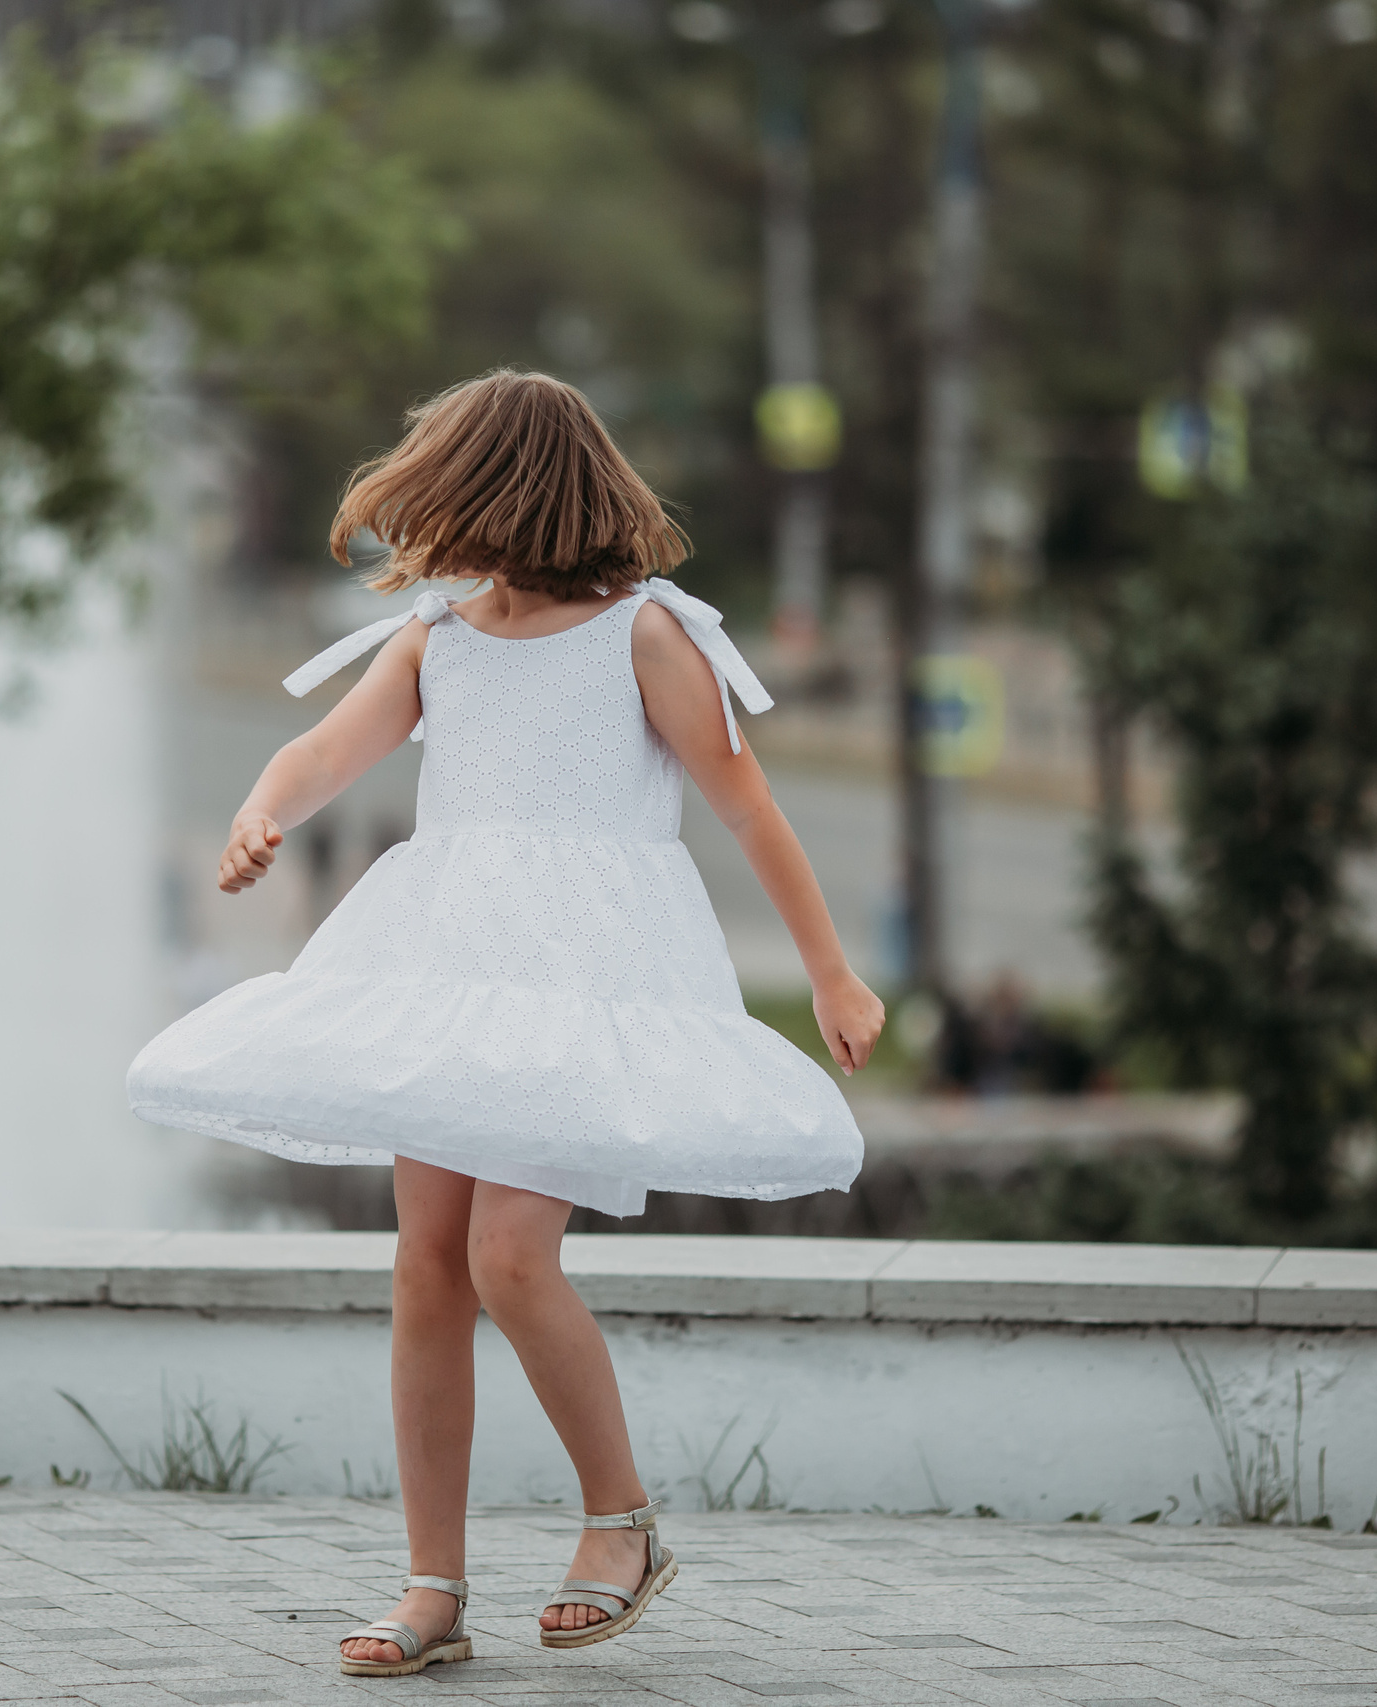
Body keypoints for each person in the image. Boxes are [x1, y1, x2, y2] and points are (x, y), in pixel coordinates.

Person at [127, 371, 882, 1677]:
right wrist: (263, 810)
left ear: (507, 496)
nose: (425, 525)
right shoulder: (440, 637)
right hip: (455, 965)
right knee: (428, 1264)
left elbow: (748, 807)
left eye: (445, 493)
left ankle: (621, 1524)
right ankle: (433, 1588)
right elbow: (323, 753)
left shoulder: (646, 634)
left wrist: (831, 976)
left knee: (509, 1257)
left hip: (582, 977)